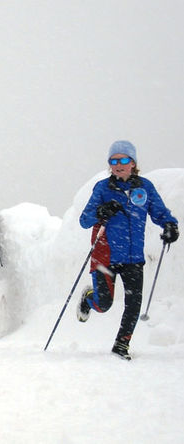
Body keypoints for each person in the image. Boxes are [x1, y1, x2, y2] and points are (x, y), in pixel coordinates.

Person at [78, 140, 178, 360]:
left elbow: (159, 212)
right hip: (106, 255)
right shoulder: (103, 188)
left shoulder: (144, 187)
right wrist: (102, 210)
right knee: (104, 304)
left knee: (133, 304)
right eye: (113, 161)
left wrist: (170, 225)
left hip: (133, 257)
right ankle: (88, 299)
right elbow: (85, 220)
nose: (118, 164)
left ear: (133, 163)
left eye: (123, 160)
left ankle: (121, 344)